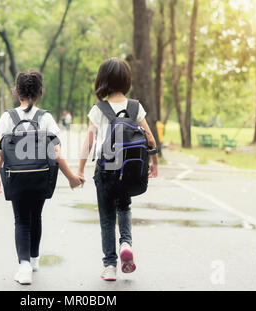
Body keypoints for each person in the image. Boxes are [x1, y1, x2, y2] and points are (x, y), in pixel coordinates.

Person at [0, 70, 85, 285]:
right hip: (41, 177)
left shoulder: (8, 117)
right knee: (36, 215)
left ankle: (23, 265)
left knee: (21, 219)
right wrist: (71, 177)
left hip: (15, 177)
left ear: (16, 91)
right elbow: (56, 153)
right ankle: (33, 260)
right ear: (41, 92)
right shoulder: (46, 118)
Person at [77, 58, 158, 281]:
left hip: (105, 169)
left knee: (106, 217)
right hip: (129, 169)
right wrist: (154, 163)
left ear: (102, 81)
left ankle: (110, 266)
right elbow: (150, 138)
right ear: (127, 80)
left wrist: (80, 170)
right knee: (124, 207)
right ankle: (126, 242)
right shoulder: (135, 106)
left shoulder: (98, 109)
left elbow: (89, 142)